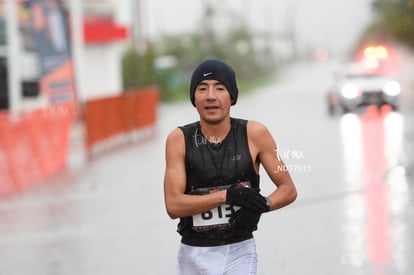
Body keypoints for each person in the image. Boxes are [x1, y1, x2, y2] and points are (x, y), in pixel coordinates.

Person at [163, 59, 297, 275]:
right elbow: (173, 205)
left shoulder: (255, 133)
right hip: (193, 254)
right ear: (194, 98)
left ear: (232, 96)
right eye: (202, 89)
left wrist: (261, 205)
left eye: (220, 88)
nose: (211, 96)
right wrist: (227, 196)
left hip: (239, 250)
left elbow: (288, 189)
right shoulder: (178, 139)